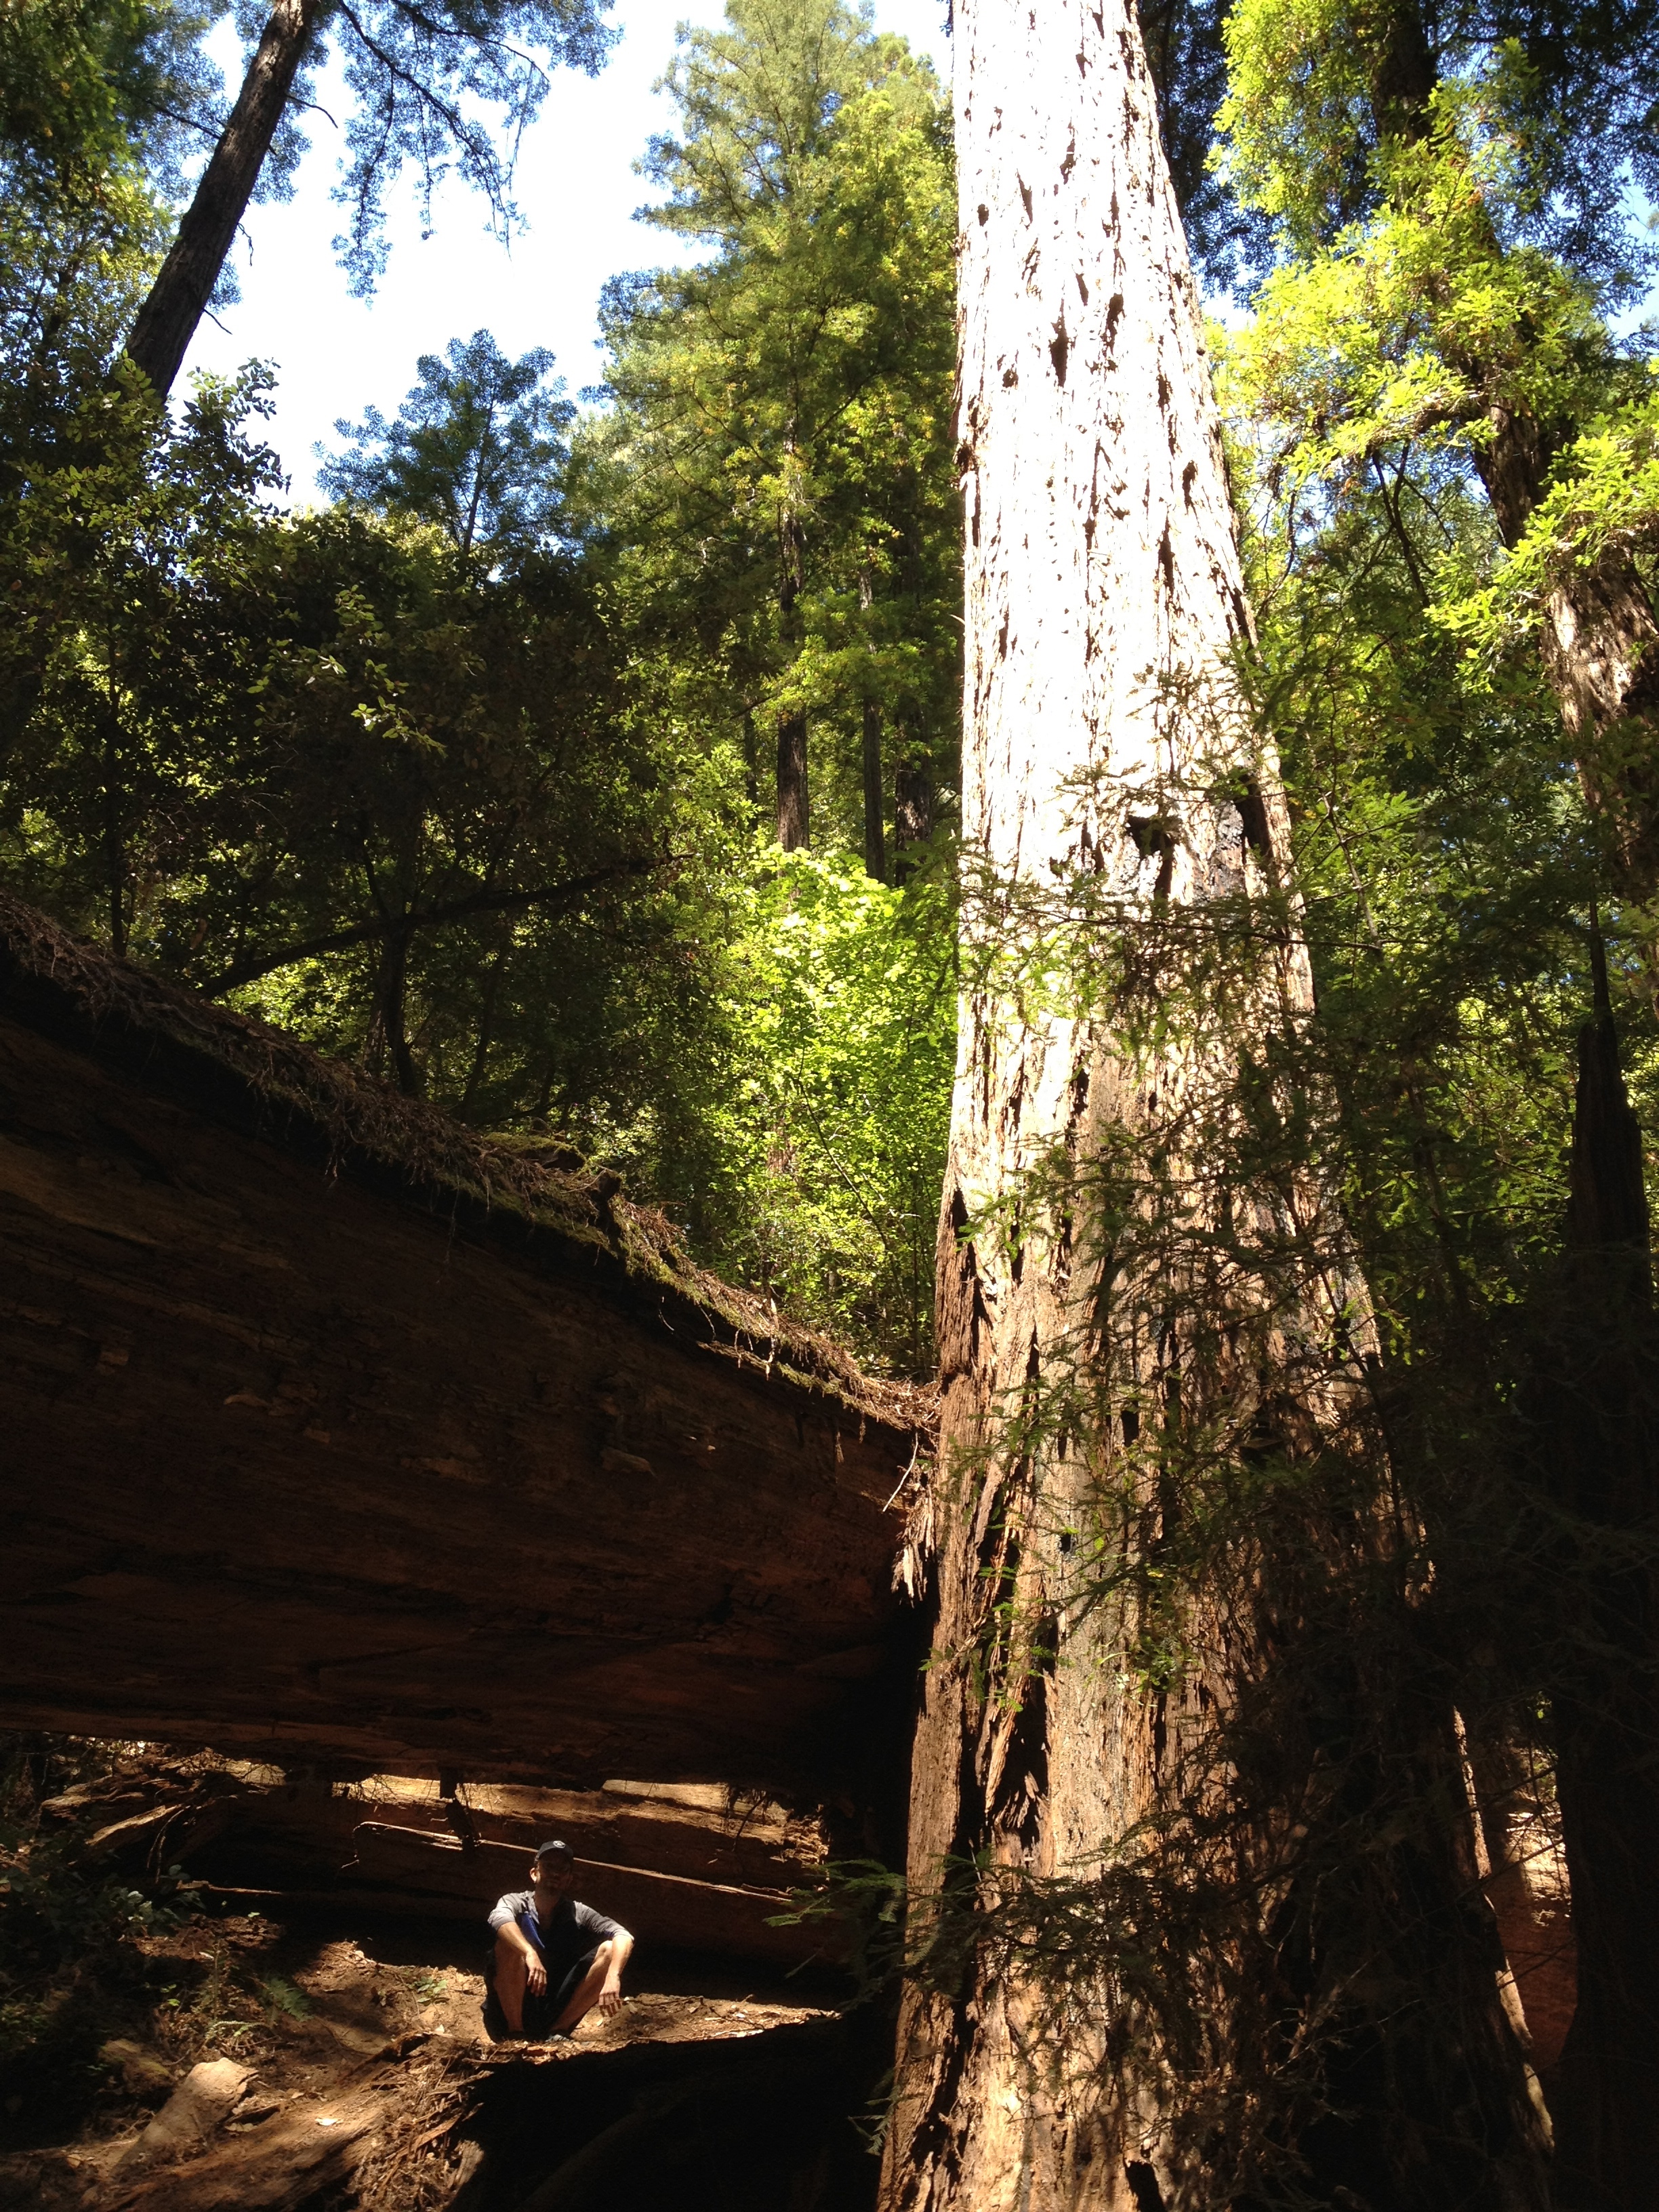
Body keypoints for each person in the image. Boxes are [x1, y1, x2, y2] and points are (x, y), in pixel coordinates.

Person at [483, 1839, 633, 2041]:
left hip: (553, 2009)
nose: (555, 1874)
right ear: (534, 1873)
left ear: (569, 1879)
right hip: (506, 2013)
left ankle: (558, 2032)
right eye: (549, 1867)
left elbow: (623, 1934)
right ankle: (516, 2033)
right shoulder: (516, 1902)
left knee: (610, 1949)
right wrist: (529, 1953)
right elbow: (499, 1918)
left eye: (563, 1870)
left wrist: (614, 1976)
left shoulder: (576, 1912)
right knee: (508, 1946)